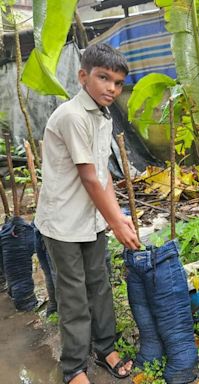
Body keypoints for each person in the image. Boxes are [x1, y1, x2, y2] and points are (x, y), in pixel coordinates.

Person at [34, 43, 141, 384]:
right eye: (103, 77)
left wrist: (116, 216)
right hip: (64, 223)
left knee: (99, 285)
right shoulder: (72, 116)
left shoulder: (102, 117)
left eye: (118, 82)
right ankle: (74, 368)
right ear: (83, 76)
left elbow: (104, 173)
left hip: (91, 219)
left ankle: (105, 347)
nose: (112, 87)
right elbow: (88, 176)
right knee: (74, 295)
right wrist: (115, 220)